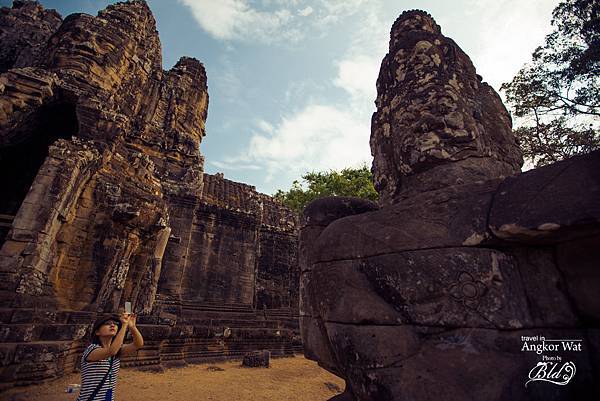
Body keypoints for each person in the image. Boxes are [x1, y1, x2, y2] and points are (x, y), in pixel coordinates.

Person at [76, 312, 144, 401]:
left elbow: (138, 344)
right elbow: (111, 351)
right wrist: (123, 325)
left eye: (115, 324)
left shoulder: (117, 350)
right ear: (97, 332)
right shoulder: (92, 349)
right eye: (107, 324)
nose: (112, 325)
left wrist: (132, 327)